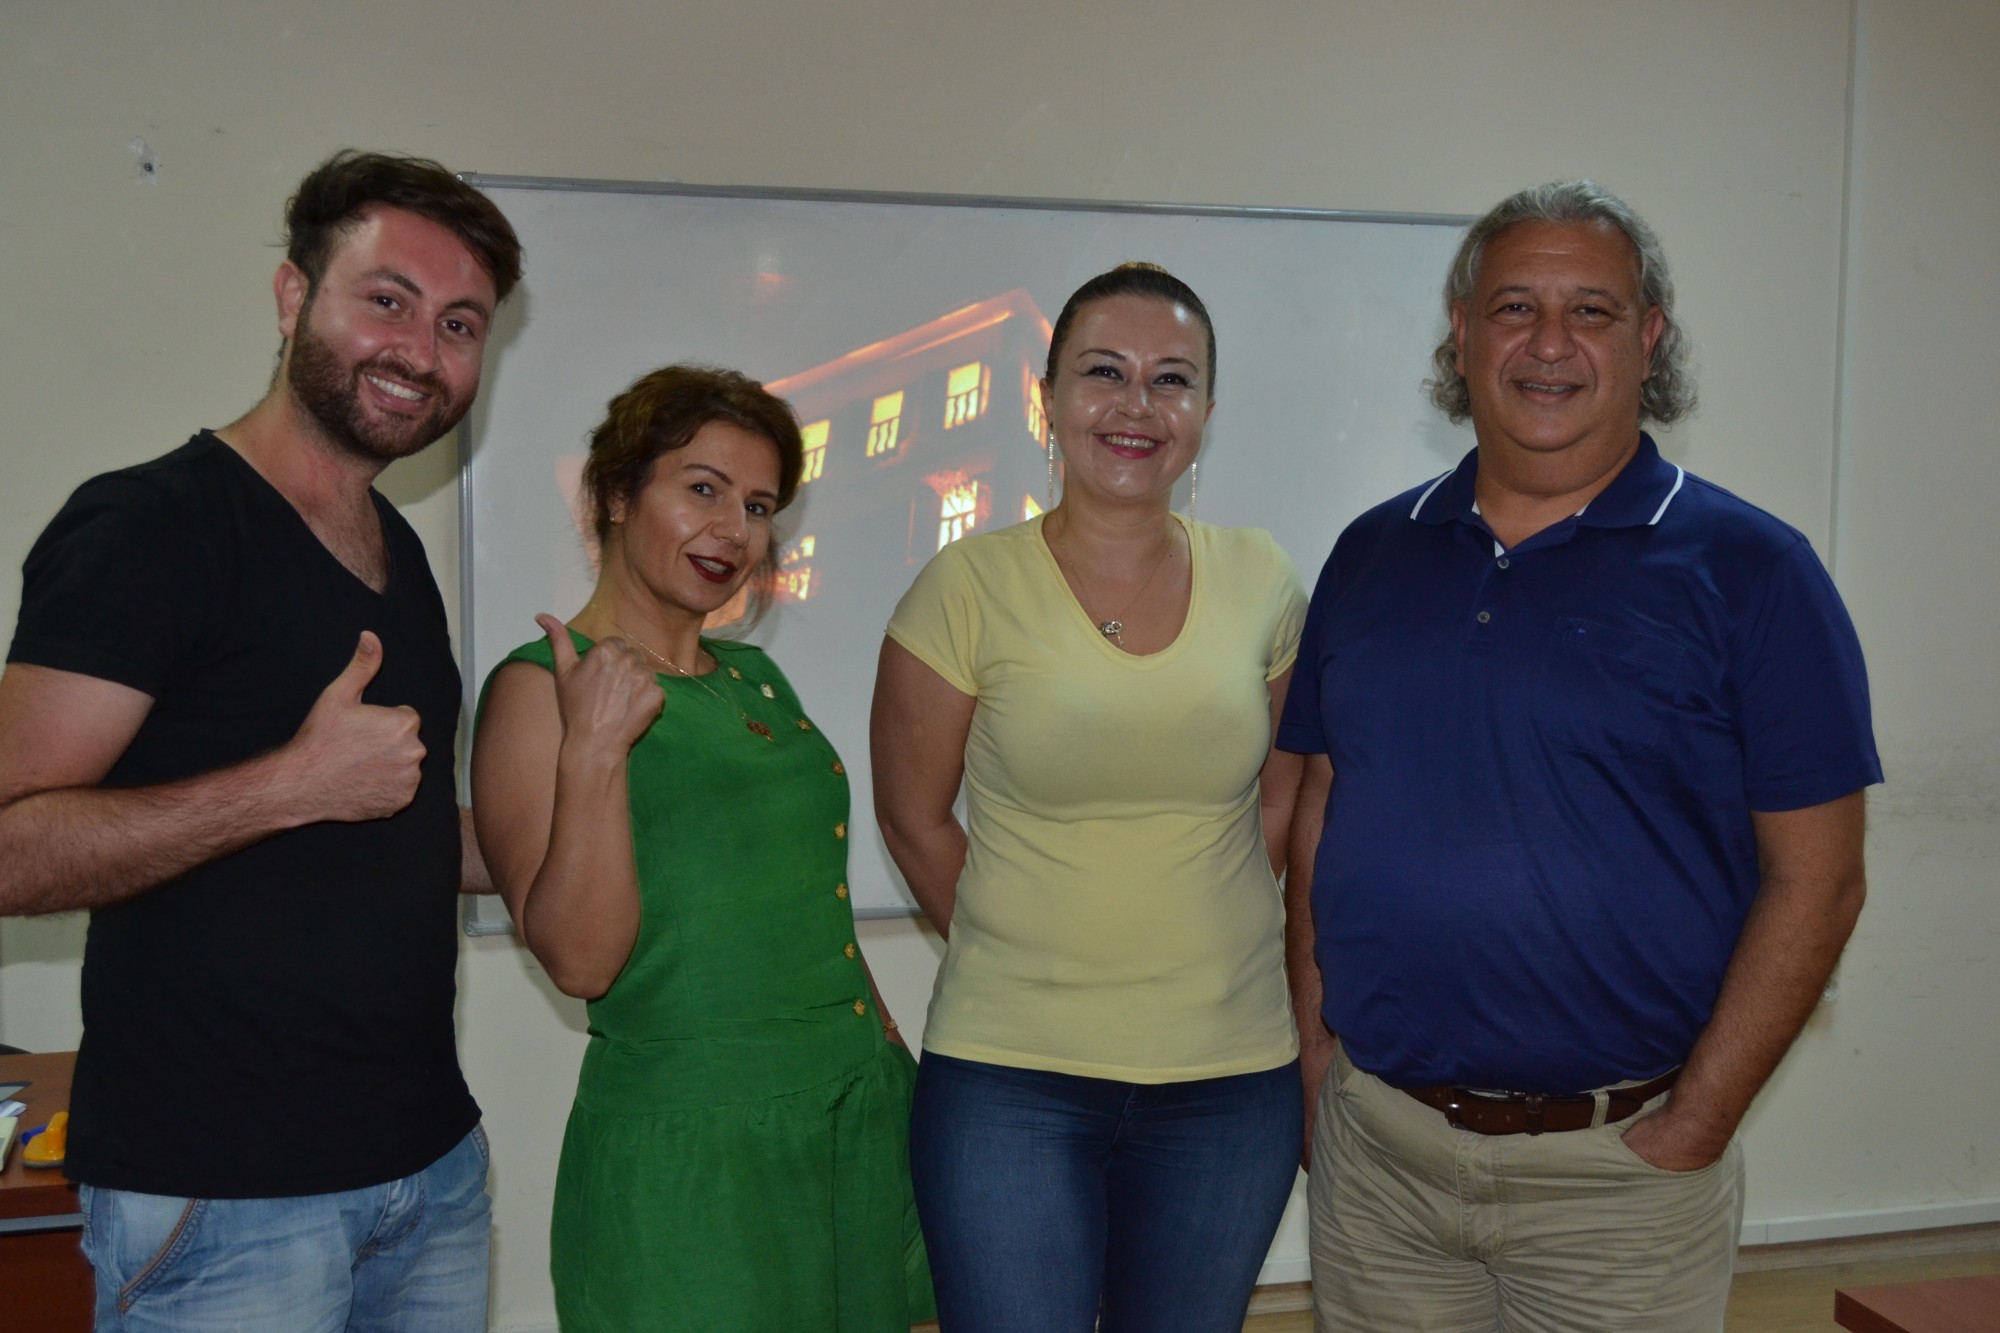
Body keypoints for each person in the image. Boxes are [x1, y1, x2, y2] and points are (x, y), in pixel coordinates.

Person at [1280, 180, 1882, 1331]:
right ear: (1461, 334)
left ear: (1646, 338)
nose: (1548, 343)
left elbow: (1820, 879)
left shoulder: (1754, 573)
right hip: (1380, 1165)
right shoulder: (1369, 554)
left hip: (1619, 1184)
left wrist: (1693, 1123)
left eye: (1589, 311)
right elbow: (1320, 802)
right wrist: (1312, 1050)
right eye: (1513, 307)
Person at [0, 150, 521, 1329]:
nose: (419, 351)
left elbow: (385, 824)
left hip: (426, 1175)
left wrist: (576, 819)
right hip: (223, 1202)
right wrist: (286, 785)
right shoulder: (150, 524)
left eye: (458, 324)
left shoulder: (397, 548)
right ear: (293, 296)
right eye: (385, 300)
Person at [873, 263, 1309, 1331]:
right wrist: (1028, 941)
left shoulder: (1261, 578)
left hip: (1229, 1080)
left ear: (1205, 410)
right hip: (1009, 1077)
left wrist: (1186, 934)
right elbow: (912, 817)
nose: (1136, 405)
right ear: (1049, 399)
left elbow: (1280, 801)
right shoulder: (964, 587)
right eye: (1103, 372)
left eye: (1172, 379)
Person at [471, 365, 933, 1331]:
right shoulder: (538, 688)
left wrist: (890, 1052)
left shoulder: (755, 676)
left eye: (758, 506)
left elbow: (805, 895)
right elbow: (580, 962)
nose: (734, 529)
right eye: (703, 488)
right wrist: (596, 748)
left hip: (852, 1118)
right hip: (694, 1154)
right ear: (615, 494)